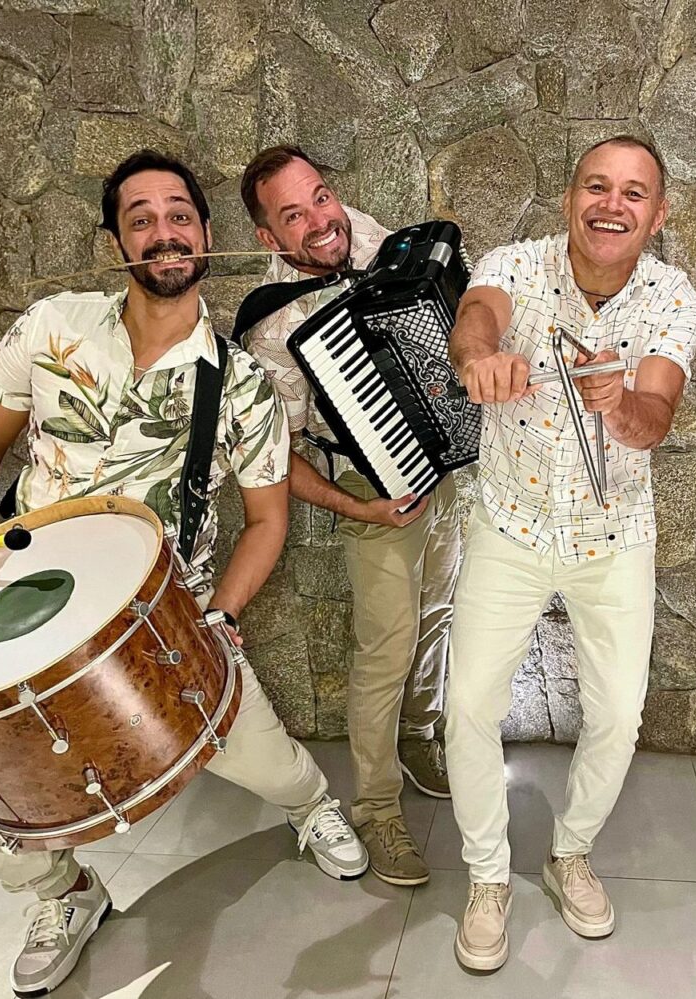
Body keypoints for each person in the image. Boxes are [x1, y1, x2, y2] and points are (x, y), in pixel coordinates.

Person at [0, 149, 368, 998]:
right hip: (32, 608)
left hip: (168, 624)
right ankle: (64, 892)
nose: (164, 231)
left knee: (269, 765)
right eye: (141, 217)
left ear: (205, 236)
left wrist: (222, 617)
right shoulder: (53, 328)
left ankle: (310, 807)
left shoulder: (239, 383)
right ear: (116, 240)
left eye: (179, 215)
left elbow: (267, 522)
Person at [445, 136, 696, 971]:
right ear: (570, 198)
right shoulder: (515, 264)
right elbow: (475, 316)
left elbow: (655, 416)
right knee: (471, 707)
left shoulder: (673, 297)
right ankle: (487, 878)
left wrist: (622, 403)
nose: (611, 204)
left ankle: (569, 853)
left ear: (656, 215)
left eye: (633, 193)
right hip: (510, 524)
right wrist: (479, 358)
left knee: (618, 714)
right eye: (596, 185)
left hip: (613, 533)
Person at [237, 146, 460, 888]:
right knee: (386, 647)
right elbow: (277, 458)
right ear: (268, 237)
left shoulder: (360, 231)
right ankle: (375, 807)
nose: (320, 221)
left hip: (440, 455)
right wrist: (359, 507)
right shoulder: (270, 331)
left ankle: (420, 734)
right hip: (371, 481)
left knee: (437, 613)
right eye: (293, 215)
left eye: (321, 197)